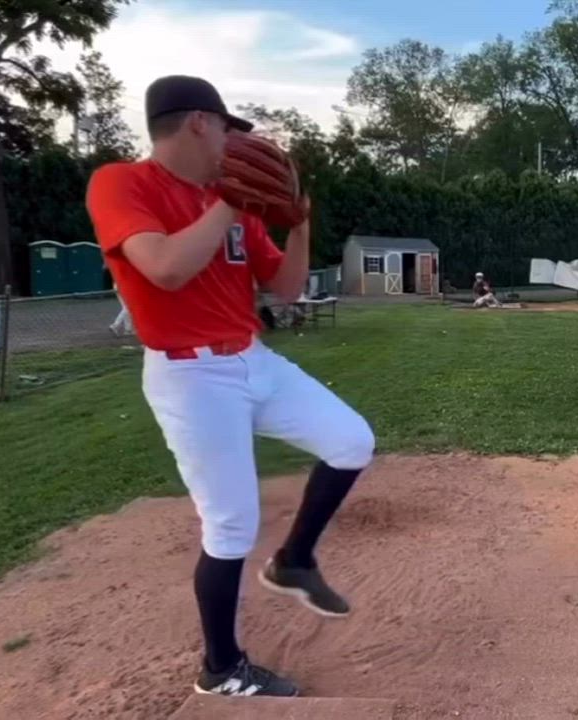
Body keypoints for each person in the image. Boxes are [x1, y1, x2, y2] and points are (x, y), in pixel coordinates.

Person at [85, 75, 374, 699]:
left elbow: (287, 290)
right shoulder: (122, 182)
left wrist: (299, 225)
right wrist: (230, 202)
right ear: (198, 122)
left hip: (252, 358)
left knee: (352, 440)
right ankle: (221, 668)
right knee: (231, 525)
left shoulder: (230, 201)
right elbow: (165, 269)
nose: (231, 144)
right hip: (190, 377)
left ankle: (294, 561)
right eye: (224, 129)